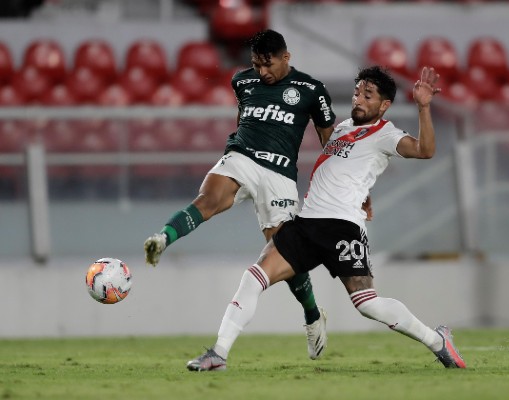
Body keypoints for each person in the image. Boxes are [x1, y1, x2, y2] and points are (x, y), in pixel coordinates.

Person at [186, 65, 467, 371]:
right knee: (253, 278)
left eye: (367, 95)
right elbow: (346, 169)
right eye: (358, 92)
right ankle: (218, 354)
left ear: (384, 105)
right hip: (306, 223)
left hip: (343, 227)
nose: (358, 99)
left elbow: (425, 150)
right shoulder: (344, 128)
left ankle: (437, 341)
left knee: (367, 304)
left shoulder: (386, 134)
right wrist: (365, 193)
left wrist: (423, 107)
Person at [144, 29, 339, 360]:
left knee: (284, 252)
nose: (262, 72)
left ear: (286, 57)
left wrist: (338, 185)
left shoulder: (311, 90)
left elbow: (329, 141)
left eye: (268, 64)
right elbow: (244, 118)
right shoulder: (243, 82)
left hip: (279, 176)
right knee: (207, 200)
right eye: (256, 64)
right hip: (242, 157)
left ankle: (312, 315)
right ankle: (163, 238)